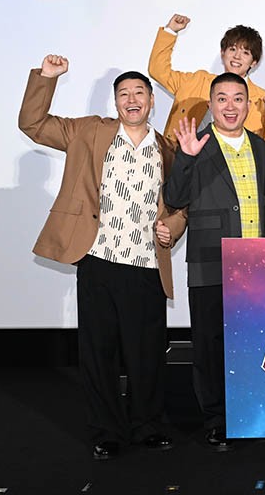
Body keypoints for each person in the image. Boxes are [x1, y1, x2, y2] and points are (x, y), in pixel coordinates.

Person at [19, 55, 186, 460]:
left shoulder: (167, 148)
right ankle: (106, 431)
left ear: (151, 101)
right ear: (116, 102)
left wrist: (173, 227)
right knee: (99, 353)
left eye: (139, 93)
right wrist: (46, 78)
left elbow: (181, 204)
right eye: (124, 94)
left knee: (147, 354)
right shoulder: (89, 131)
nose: (132, 99)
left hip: (147, 265)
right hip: (98, 258)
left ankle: (147, 425)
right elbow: (33, 124)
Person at [162, 72, 265, 451]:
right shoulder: (195, 144)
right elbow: (174, 198)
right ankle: (216, 420)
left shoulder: (261, 148)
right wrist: (185, 158)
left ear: (248, 105)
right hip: (211, 262)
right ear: (211, 105)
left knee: (256, 343)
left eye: (238, 99)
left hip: (256, 266)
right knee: (210, 344)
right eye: (222, 99)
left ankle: (252, 414)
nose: (230, 107)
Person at [148, 14, 265, 151]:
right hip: (180, 157)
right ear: (223, 53)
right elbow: (158, 70)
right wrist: (171, 30)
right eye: (232, 49)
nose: (237, 56)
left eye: (245, 53)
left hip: (231, 163)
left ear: (254, 62)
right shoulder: (197, 81)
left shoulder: (261, 99)